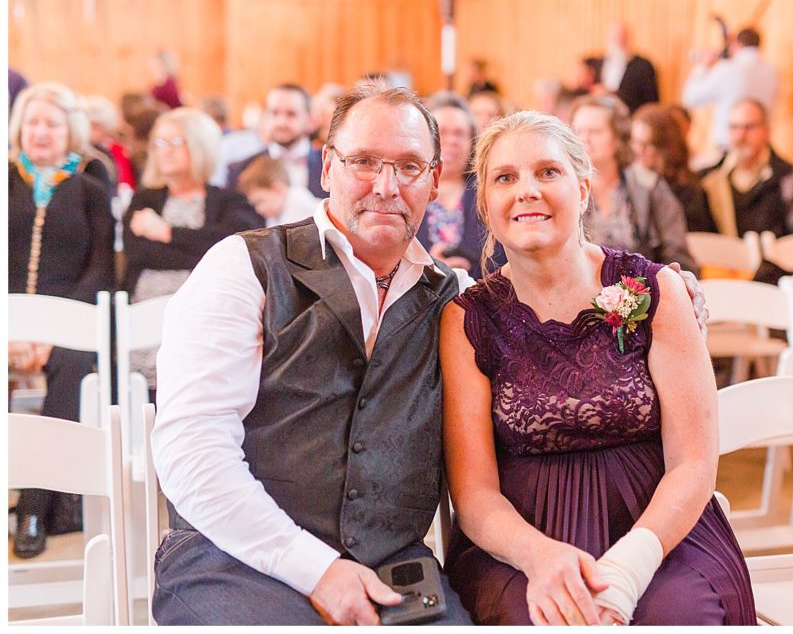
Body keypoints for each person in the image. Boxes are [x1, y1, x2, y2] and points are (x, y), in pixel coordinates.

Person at [150, 80, 710, 626]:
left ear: (435, 179)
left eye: (410, 166)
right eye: (364, 161)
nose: (387, 186)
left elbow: (554, 310)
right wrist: (316, 570)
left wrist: (669, 293)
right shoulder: (244, 268)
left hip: (392, 568)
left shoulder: (458, 302)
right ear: (326, 168)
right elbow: (192, 453)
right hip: (238, 560)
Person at [440, 110, 756, 625]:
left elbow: (694, 461)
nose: (527, 191)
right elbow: (473, 494)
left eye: (548, 172)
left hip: (660, 535)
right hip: (521, 545)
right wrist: (540, 559)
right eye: (505, 178)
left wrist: (629, 569)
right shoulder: (467, 320)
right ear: (486, 204)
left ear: (583, 189)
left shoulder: (656, 290)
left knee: (674, 615)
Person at [8, 82, 116, 558]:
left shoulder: (91, 187)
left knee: (75, 365)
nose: (41, 132)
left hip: (68, 319)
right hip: (8, 321)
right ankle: (53, 503)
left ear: (69, 130)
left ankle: (33, 506)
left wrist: (58, 330)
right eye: (33, 122)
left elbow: (100, 268)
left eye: (51, 123)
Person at [122, 108, 262, 395]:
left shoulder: (228, 200)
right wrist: (198, 248)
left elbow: (231, 249)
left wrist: (167, 232)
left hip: (207, 318)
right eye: (159, 144)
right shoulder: (145, 198)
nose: (165, 152)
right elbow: (139, 254)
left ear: (200, 146)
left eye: (176, 142)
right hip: (143, 317)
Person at [570, 94, 698, 274]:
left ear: (618, 137)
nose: (585, 139)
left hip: (642, 293)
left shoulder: (648, 185)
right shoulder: (564, 188)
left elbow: (677, 255)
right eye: (578, 131)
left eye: (595, 132)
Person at [696, 98, 793, 238]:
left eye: (749, 127)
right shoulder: (707, 180)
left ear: (766, 131)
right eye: (734, 127)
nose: (740, 135)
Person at [415, 92, 505, 279]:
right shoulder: (405, 191)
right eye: (442, 132)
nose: (451, 141)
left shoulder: (491, 192)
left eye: (459, 133)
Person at [682, 27, 780, 152]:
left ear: (736, 44)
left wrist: (702, 66)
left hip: (731, 146)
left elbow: (690, 98)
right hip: (762, 145)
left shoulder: (726, 69)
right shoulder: (772, 72)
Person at [226, 84, 327, 198]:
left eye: (291, 114)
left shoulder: (329, 165)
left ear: (309, 120)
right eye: (274, 113)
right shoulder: (241, 171)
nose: (281, 122)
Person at [631, 104, 715, 233]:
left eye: (648, 144)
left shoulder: (686, 191)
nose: (639, 150)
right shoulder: (628, 183)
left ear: (665, 148)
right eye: (636, 142)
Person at [238, 154, 321, 226]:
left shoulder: (298, 201)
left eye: (260, 201)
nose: (258, 209)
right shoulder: (275, 216)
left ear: (277, 189)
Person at [600, 22, 659, 113]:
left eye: (622, 37)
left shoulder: (643, 66)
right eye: (615, 37)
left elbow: (651, 100)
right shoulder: (597, 63)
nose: (619, 41)